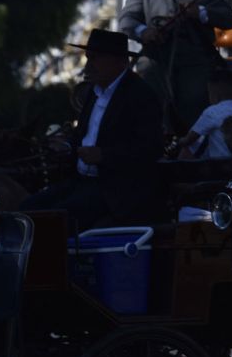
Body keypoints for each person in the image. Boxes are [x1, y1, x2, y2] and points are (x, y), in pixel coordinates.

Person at [22, 28, 165, 230]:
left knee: (56, 220)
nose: (88, 64)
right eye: (88, 57)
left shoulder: (140, 95)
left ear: (120, 62)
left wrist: (103, 155)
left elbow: (152, 148)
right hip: (81, 182)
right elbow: (85, 136)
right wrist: (67, 146)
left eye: (96, 58)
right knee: (27, 209)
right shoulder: (93, 92)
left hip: (116, 190)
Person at [118, 0, 232, 133]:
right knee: (150, 106)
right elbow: (126, 20)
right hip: (156, 62)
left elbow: (229, 19)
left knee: (195, 108)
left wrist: (200, 13)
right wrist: (144, 31)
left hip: (195, 63)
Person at [179, 66, 232, 160]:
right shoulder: (208, 131)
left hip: (226, 166)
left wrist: (180, 141)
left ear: (215, 95)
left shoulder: (212, 113)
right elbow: (185, 159)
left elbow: (189, 140)